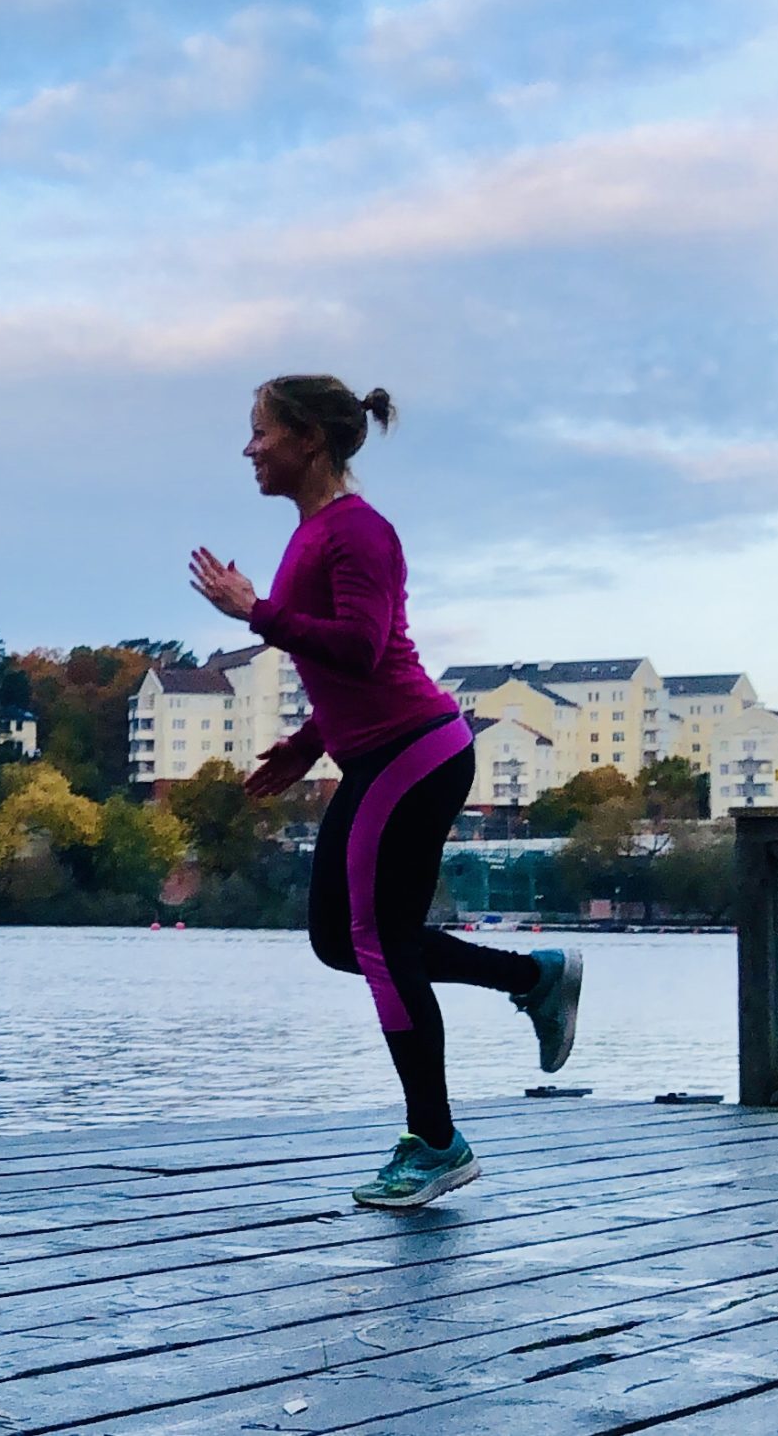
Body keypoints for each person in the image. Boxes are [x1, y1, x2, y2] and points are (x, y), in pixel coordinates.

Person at [189, 375, 581, 1210]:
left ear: (310, 440)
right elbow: (344, 674)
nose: (248, 448)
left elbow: (366, 652)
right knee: (342, 937)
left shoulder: (359, 532)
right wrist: (305, 744)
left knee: (376, 939)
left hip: (416, 751)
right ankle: (533, 977)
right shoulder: (312, 534)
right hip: (376, 753)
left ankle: (436, 1140)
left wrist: (255, 611)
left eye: (261, 431)